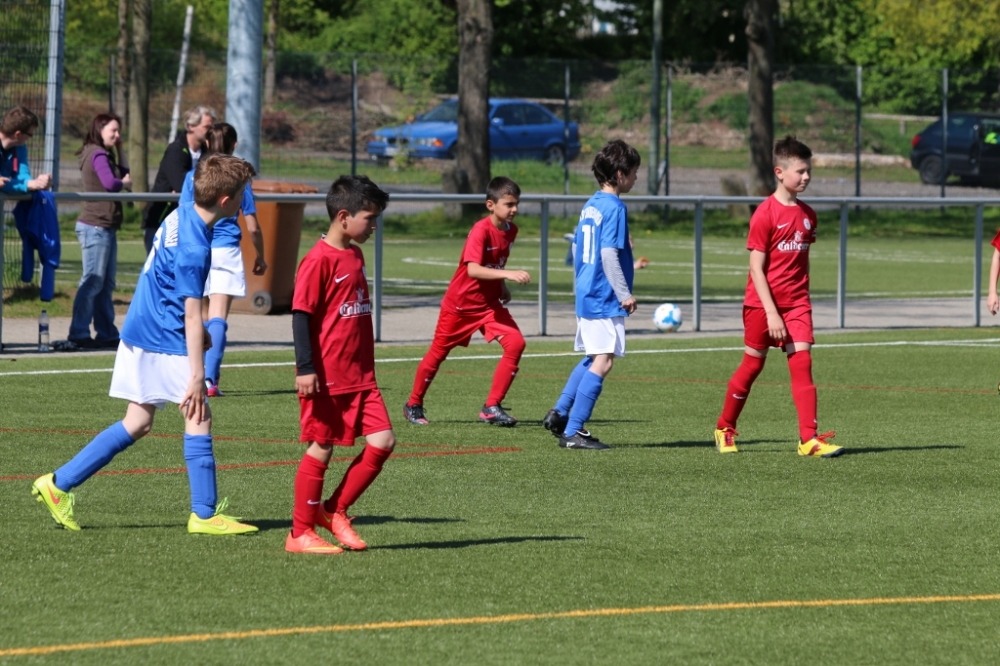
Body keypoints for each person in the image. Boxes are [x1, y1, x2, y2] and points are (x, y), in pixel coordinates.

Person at [31, 154, 259, 535]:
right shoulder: (195, 246)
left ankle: (58, 483)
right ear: (225, 201)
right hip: (163, 335)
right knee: (198, 414)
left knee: (137, 422)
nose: (243, 201)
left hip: (143, 326)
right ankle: (204, 515)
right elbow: (191, 314)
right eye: (241, 195)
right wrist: (198, 376)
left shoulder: (182, 213)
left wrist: (197, 330)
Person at [712, 135, 844, 458]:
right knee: (752, 366)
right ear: (779, 172)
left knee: (803, 364)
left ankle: (808, 439)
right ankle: (725, 427)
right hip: (761, 305)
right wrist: (771, 312)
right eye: (800, 171)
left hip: (797, 304)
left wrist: (801, 299)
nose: (806, 176)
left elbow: (802, 261)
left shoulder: (808, 214)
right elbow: (756, 268)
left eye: (809, 170)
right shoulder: (764, 214)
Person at [286, 175, 394, 555]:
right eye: (370, 218)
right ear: (344, 217)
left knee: (383, 441)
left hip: (361, 375)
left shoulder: (355, 254)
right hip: (327, 376)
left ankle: (334, 510)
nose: (374, 225)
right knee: (322, 446)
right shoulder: (317, 260)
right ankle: (299, 532)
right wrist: (305, 368)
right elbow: (301, 316)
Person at [403, 177, 530, 427]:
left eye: (516, 203)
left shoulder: (511, 230)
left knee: (516, 343)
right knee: (438, 353)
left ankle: (491, 407)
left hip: (489, 305)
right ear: (490, 205)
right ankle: (413, 404)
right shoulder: (481, 230)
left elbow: (495, 263)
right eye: (509, 204)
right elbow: (473, 269)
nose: (514, 209)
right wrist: (508, 275)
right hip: (460, 305)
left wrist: (501, 285)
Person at [541, 140, 640, 450]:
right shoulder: (615, 207)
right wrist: (624, 293)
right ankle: (573, 431)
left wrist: (582, 282)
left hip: (587, 290)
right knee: (604, 361)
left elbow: (576, 248)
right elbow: (608, 254)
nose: (636, 178)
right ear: (620, 174)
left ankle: (559, 413)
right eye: (634, 172)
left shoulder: (591, 204)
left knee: (593, 356)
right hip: (603, 294)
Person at [179, 123, 266, 396]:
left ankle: (194, 374)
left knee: (200, 315)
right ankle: (210, 380)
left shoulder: (193, 176)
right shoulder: (239, 178)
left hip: (198, 246)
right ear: (234, 145)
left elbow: (183, 215)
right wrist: (261, 256)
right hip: (226, 250)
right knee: (218, 316)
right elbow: (253, 226)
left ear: (206, 144)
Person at [67, 113, 132, 349]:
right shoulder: (97, 154)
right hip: (95, 226)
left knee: (105, 284)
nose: (117, 135)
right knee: (93, 281)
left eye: (119, 131)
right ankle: (79, 332)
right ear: (100, 129)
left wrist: (120, 148)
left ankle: (106, 333)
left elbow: (123, 172)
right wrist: (125, 184)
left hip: (105, 226)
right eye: (113, 130)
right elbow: (112, 183)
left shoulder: (102, 153)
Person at [142, 105, 216, 254]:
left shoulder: (207, 153)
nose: (211, 131)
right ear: (191, 126)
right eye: (207, 127)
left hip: (187, 223)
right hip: (161, 221)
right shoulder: (175, 150)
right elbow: (181, 184)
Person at [0, 105, 52, 194]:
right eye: (30, 134)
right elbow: (3, 184)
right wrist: (30, 185)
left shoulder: (19, 147)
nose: (30, 138)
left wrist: (38, 183)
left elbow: (22, 175)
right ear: (18, 134)